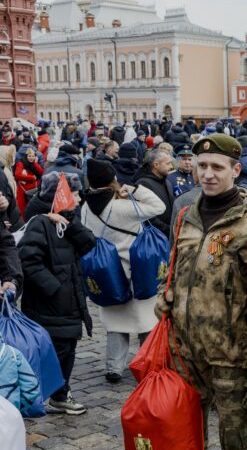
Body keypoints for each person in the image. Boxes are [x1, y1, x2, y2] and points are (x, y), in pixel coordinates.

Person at [154, 134, 247, 450]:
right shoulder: (186, 215)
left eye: (217, 168)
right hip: (184, 355)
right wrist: (165, 296)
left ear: (235, 170)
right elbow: (174, 269)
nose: (207, 174)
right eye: (201, 166)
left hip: (234, 359)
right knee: (185, 444)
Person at [81, 158, 166, 382]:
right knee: (146, 319)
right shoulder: (122, 207)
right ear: (113, 180)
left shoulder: (86, 208)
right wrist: (136, 189)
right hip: (135, 270)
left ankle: (114, 367)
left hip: (107, 272)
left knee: (116, 323)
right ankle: (147, 363)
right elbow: (159, 206)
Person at [18, 173, 95, 415]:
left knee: (67, 348)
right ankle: (56, 394)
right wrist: (54, 287)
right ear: (60, 195)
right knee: (58, 349)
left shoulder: (67, 218)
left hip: (68, 301)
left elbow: (88, 243)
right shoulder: (40, 222)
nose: (79, 197)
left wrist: (70, 224)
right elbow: (28, 261)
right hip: (50, 303)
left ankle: (58, 393)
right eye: (74, 193)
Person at [133, 149, 175, 236]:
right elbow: (146, 216)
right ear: (156, 164)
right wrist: (167, 229)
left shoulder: (167, 182)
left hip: (169, 235)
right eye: (168, 163)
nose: (171, 167)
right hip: (155, 239)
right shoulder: (142, 183)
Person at [13, 147, 43, 219]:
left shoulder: (34, 163)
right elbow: (17, 175)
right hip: (23, 191)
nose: (31, 158)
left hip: (33, 190)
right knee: (23, 208)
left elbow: (41, 172)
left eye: (33, 156)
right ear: (26, 156)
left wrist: (35, 163)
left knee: (32, 208)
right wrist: (31, 177)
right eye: (29, 156)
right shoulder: (21, 163)